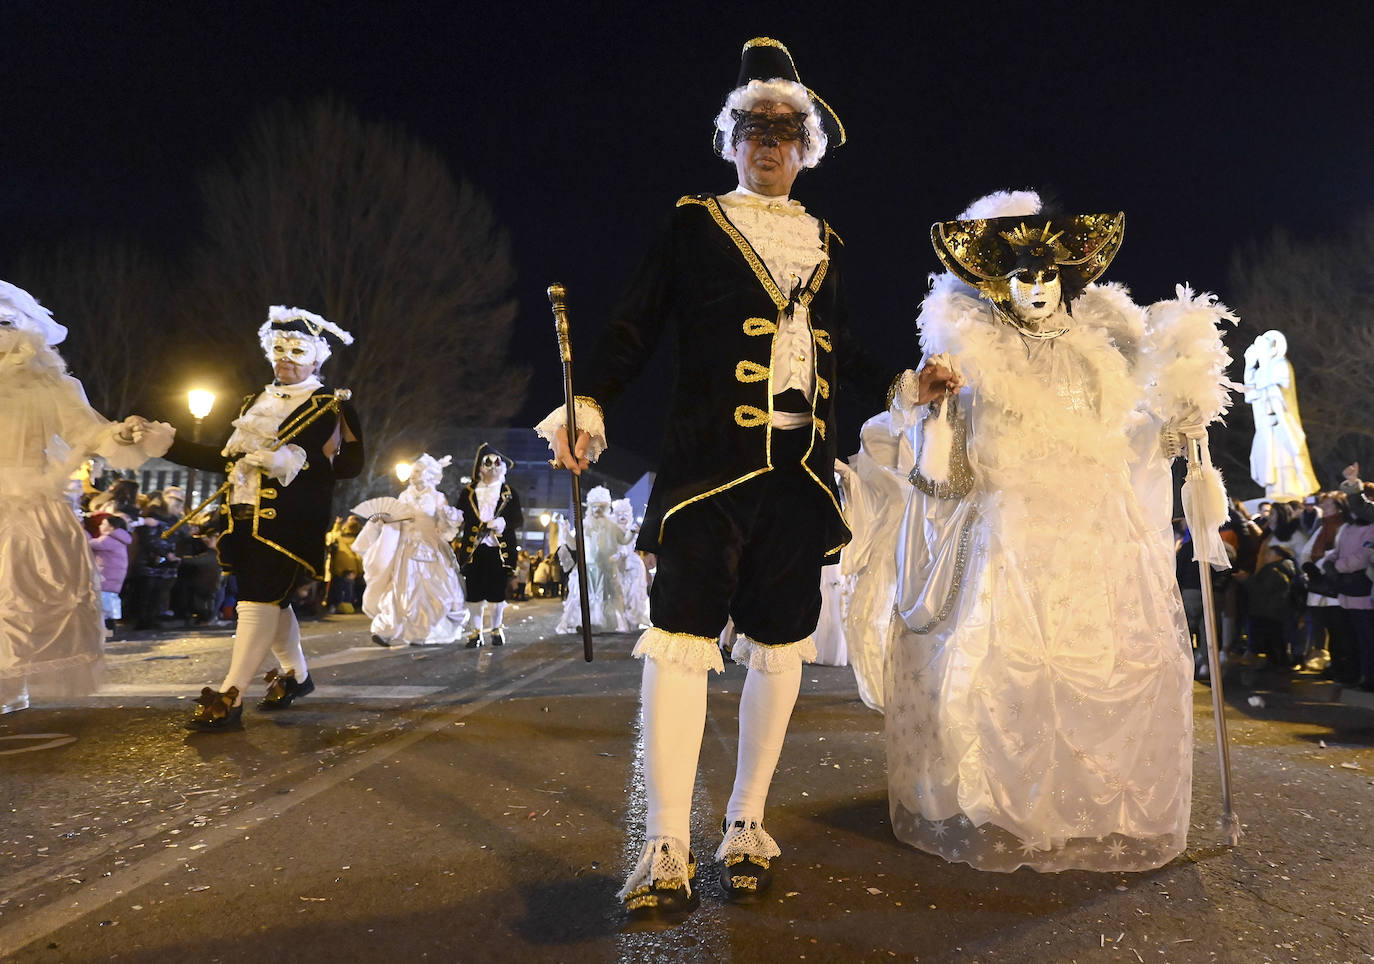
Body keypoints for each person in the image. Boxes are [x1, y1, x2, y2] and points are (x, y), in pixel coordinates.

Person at [538, 38, 912, 923]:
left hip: (799, 477)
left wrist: (907, 381)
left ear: (807, 146)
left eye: (785, 131)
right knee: (680, 640)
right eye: (753, 128)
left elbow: (848, 347)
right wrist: (588, 401)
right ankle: (667, 837)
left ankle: (745, 821)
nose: (769, 144)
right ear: (731, 139)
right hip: (710, 471)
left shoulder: (826, 241)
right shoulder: (692, 223)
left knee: (780, 646)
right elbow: (632, 327)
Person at [885, 191, 1236, 872]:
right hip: (1012, 534)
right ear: (999, 283)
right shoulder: (972, 359)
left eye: (1048, 275)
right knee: (1008, 666)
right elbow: (949, 475)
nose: (1036, 287)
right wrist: (940, 420)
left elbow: (1121, 442)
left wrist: (1170, 428)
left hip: (1094, 533)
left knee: (1101, 658)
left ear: (1068, 281)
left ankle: (1091, 806)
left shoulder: (1095, 354)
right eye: (1022, 274)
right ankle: (1002, 804)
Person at [165, 305, 363, 731]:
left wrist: (295, 461)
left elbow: (349, 467)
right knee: (274, 599)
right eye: (278, 350)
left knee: (256, 600)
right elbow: (222, 457)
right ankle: (297, 676)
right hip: (240, 519)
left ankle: (231, 696)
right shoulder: (250, 402)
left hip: (290, 524)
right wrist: (166, 443)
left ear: (315, 358)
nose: (285, 359)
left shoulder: (330, 405)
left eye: (296, 351)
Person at [0, 281, 172, 714]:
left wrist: (118, 434)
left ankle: (9, 682)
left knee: (17, 598)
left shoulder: (51, 386)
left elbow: (87, 432)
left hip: (28, 507)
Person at [354, 453, 468, 646]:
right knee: (400, 591)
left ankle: (420, 633)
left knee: (436, 592)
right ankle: (385, 630)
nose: (412, 475)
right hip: (406, 549)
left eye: (417, 471)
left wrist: (448, 519)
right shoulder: (404, 496)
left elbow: (446, 526)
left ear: (427, 474)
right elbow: (397, 518)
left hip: (431, 549)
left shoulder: (438, 497)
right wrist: (385, 521)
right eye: (412, 472)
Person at [455, 443, 523, 648]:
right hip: (474, 549)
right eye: (488, 462)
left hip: (499, 549)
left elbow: (517, 519)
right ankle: (476, 632)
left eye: (497, 462)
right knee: (474, 592)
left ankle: (496, 629)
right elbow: (460, 516)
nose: (493, 466)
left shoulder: (509, 492)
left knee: (497, 592)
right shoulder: (468, 492)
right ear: (481, 466)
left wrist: (502, 523)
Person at [1243, 330, 1318, 501]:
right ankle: (1275, 490)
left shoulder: (1280, 364)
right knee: (1270, 460)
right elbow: (1250, 392)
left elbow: (1280, 390)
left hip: (1281, 421)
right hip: (1267, 425)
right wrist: (1249, 365)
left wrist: (1264, 392)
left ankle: (1292, 490)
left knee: (1287, 456)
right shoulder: (1261, 371)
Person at [556, 486, 634, 634]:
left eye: (601, 507)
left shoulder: (611, 526)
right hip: (586, 566)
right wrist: (565, 532)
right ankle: (585, 622)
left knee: (602, 595)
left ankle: (598, 622)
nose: (597, 510)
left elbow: (624, 540)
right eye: (594, 507)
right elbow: (574, 544)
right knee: (584, 594)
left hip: (605, 567)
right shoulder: (584, 525)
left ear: (606, 508)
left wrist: (632, 531)